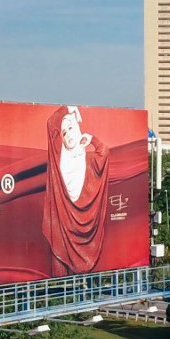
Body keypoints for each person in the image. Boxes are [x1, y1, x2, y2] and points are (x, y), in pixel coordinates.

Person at [42, 105, 110, 275]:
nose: (68, 135)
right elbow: (51, 124)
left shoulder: (89, 161)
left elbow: (104, 152)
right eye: (64, 132)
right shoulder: (58, 160)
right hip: (63, 228)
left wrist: (92, 139)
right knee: (60, 272)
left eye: (71, 128)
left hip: (86, 233)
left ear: (79, 130)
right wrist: (68, 108)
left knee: (83, 279)